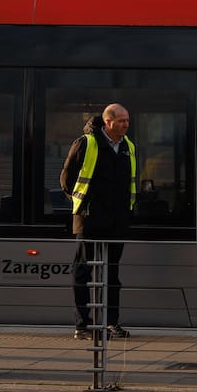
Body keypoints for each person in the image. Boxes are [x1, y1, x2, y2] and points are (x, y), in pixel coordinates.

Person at [60, 103, 137, 340]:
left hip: (117, 221)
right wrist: (83, 205)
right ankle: (82, 325)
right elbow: (66, 178)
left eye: (127, 120)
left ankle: (111, 323)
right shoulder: (86, 143)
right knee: (83, 271)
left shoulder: (128, 146)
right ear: (108, 122)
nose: (126, 124)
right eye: (121, 120)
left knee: (111, 275)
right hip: (89, 219)